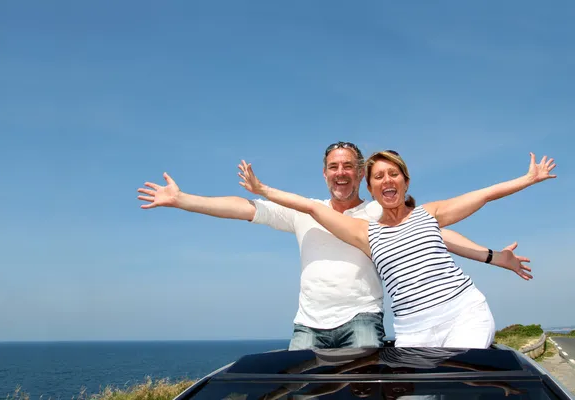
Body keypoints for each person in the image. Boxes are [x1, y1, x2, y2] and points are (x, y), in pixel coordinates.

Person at [137, 142, 532, 350]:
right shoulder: (305, 212)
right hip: (307, 324)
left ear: (361, 173)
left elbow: (433, 235)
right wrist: (182, 199)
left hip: (362, 319)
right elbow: (244, 208)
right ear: (325, 173)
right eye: (333, 167)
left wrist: (494, 257)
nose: (341, 173)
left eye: (349, 167)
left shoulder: (382, 209)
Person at [237, 150, 556, 348]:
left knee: (458, 383)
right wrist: (261, 189)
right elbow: (310, 208)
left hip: (463, 313)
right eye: (378, 176)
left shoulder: (428, 213)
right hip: (413, 330)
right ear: (370, 185)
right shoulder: (364, 231)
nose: (387, 180)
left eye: (394, 174)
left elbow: (482, 196)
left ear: (405, 181)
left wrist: (527, 180)